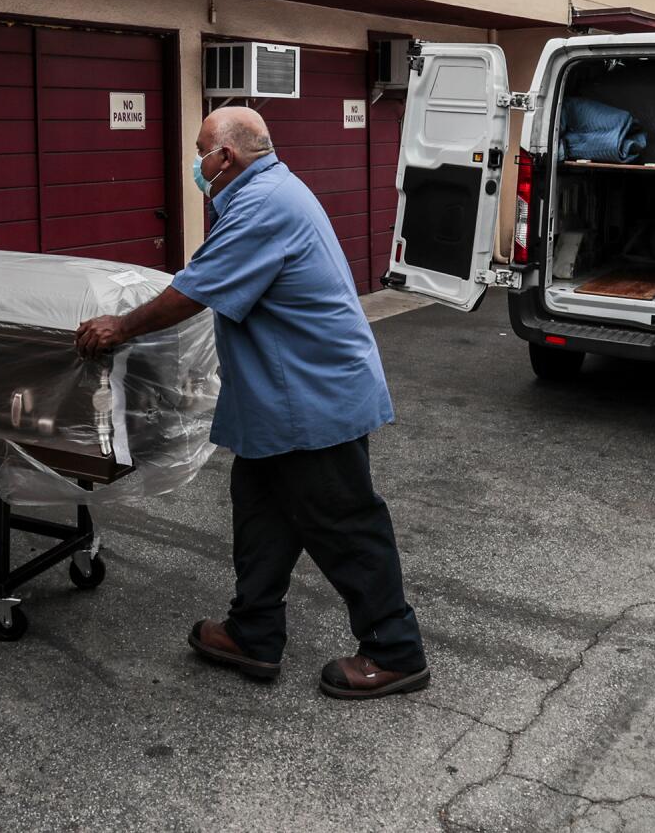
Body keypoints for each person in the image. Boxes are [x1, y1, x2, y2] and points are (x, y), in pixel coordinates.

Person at [75, 107, 429, 700]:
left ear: (225, 158)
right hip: (282, 395)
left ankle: (396, 650)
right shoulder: (264, 191)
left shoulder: (264, 205)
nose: (196, 164)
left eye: (199, 153)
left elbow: (195, 289)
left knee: (343, 521)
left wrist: (121, 327)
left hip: (311, 397)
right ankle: (253, 631)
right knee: (261, 514)